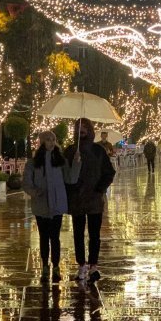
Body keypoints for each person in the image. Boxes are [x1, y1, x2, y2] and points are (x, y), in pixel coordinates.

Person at [23, 130, 81, 283]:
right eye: (48, 139)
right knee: (43, 237)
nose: (51, 142)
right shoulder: (33, 162)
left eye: (53, 139)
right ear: (42, 142)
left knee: (55, 237)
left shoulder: (60, 160)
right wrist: (35, 192)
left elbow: (71, 178)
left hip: (57, 203)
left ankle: (55, 266)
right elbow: (27, 183)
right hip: (41, 204)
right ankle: (44, 266)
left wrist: (76, 163)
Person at [64, 117, 116, 284]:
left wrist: (99, 189)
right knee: (78, 234)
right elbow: (64, 174)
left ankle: (93, 265)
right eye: (78, 127)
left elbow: (109, 172)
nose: (82, 130)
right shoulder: (71, 151)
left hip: (94, 200)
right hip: (77, 199)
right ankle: (81, 264)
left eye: (85, 127)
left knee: (94, 234)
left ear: (90, 129)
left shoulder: (98, 151)